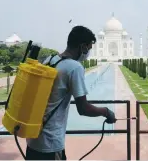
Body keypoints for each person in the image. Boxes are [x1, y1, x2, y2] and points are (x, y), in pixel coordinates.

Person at [25, 25, 116, 160]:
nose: (88, 53)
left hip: (33, 139)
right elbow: (83, 108)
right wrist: (106, 112)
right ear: (82, 46)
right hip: (50, 143)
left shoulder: (51, 59)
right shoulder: (74, 67)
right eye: (88, 48)